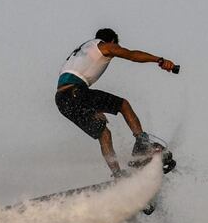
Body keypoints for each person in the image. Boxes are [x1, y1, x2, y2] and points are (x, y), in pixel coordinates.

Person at [55, 28, 176, 177]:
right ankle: (142, 144)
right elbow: (131, 55)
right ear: (112, 41)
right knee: (123, 105)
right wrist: (160, 60)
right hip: (76, 91)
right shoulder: (105, 46)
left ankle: (118, 175)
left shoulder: (82, 50)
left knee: (104, 134)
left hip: (62, 100)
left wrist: (92, 108)